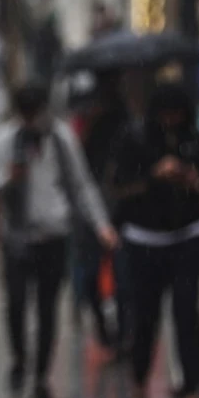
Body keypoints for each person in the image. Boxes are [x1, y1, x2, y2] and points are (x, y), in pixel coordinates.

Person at [0, 83, 117, 398]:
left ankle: (42, 373)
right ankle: (19, 360)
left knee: (47, 307)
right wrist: (8, 178)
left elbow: (81, 184)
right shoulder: (6, 140)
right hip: (17, 235)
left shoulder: (61, 139)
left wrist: (102, 226)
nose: (32, 121)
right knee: (16, 303)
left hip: (53, 235)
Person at [111, 82, 199, 398]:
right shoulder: (135, 139)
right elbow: (118, 186)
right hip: (144, 240)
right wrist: (154, 176)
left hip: (187, 237)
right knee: (144, 317)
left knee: (187, 315)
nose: (171, 121)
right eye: (165, 115)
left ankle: (192, 391)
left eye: (177, 115)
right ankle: (139, 388)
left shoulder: (197, 141)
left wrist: (193, 180)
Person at [71, 74, 132, 355]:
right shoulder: (88, 127)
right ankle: (107, 330)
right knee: (92, 274)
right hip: (93, 211)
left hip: (117, 210)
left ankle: (119, 333)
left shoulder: (126, 125)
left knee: (119, 275)